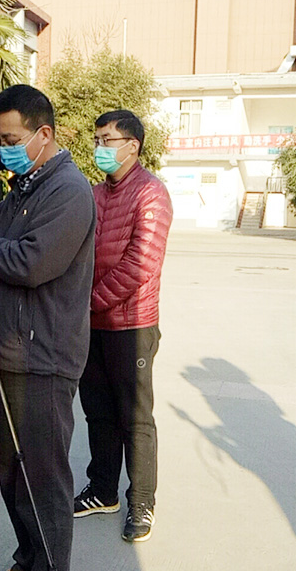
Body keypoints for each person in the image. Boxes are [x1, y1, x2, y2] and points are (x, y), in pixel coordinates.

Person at [0, 85, 96, 571]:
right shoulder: (23, 187)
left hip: (44, 357)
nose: (2, 149)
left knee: (43, 482)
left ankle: (49, 565)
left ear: (43, 134)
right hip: (10, 351)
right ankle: (29, 558)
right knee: (12, 474)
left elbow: (29, 263)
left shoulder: (68, 190)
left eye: (10, 140)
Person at [72, 110, 172, 543]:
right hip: (91, 325)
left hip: (131, 326)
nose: (100, 148)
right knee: (98, 412)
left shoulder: (151, 193)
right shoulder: (94, 193)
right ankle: (102, 490)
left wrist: (89, 302)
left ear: (133, 145)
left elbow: (140, 264)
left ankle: (142, 501)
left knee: (135, 417)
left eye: (108, 140)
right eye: (96, 139)